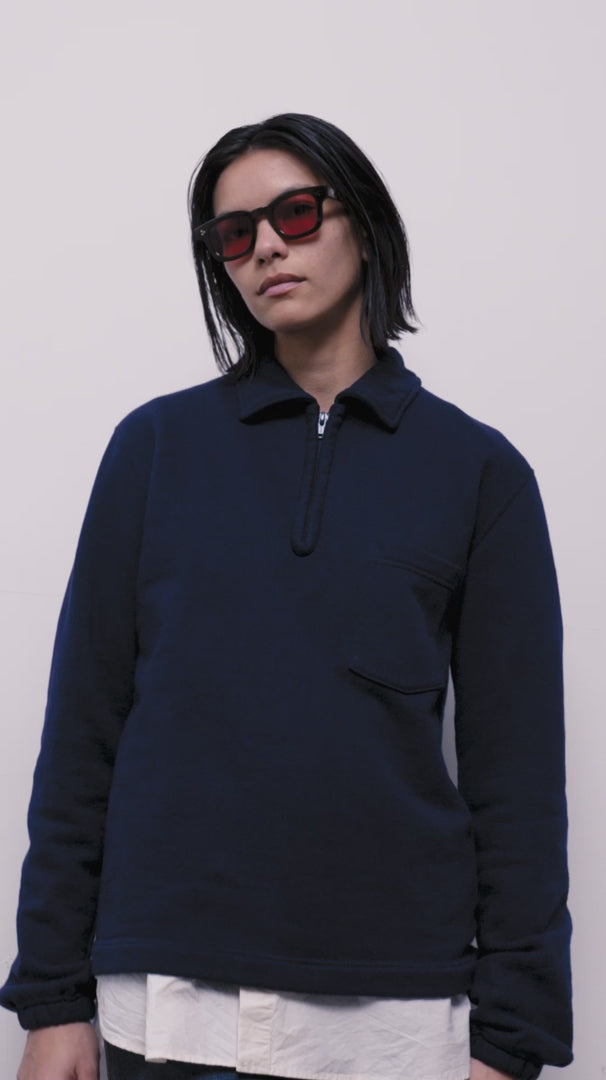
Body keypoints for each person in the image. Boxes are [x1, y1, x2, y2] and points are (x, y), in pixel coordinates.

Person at [1, 113, 573, 1080]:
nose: (265, 245)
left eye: (295, 214)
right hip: (167, 1003)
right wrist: (52, 998)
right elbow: (83, 734)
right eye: (234, 233)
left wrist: (515, 1038)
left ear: (366, 226)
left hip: (388, 1018)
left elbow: (516, 780)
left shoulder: (480, 474)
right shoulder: (154, 450)